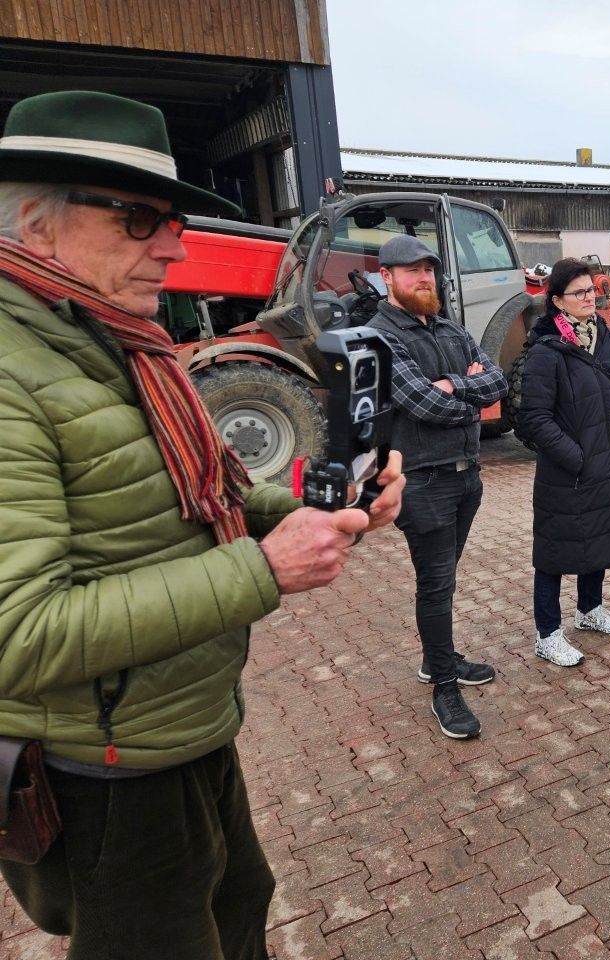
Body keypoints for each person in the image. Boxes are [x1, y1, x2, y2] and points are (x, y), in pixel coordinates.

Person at [0, 90, 403, 959]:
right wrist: (263, 571)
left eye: (174, 220)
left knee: (238, 902)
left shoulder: (121, 343)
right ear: (37, 225)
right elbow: (18, 634)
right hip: (107, 763)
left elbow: (196, 499)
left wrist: (323, 510)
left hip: (183, 718)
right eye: (141, 219)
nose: (177, 248)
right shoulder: (12, 374)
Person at [367, 234, 507, 739]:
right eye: (412, 271)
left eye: (428, 269)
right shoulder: (378, 336)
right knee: (437, 584)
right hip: (422, 483)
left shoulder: (450, 327)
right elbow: (424, 404)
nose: (424, 278)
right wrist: (466, 393)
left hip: (467, 476)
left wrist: (455, 386)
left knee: (444, 577)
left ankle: (436, 660)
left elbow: (499, 382)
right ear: (387, 277)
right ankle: (444, 686)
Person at [519, 258, 610, 666]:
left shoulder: (604, 337)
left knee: (603, 536)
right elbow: (533, 419)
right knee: (555, 553)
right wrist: (576, 458)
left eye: (591, 290)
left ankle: (589, 610)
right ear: (557, 301)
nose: (589, 298)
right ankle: (548, 633)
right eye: (579, 293)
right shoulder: (546, 350)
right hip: (568, 473)